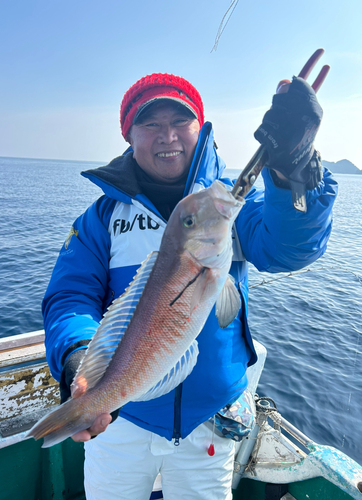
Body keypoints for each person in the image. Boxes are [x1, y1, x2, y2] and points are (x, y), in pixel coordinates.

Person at [43, 72, 337, 499]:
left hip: (211, 423)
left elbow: (290, 247)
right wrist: (78, 359)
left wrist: (293, 171)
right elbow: (71, 296)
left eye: (180, 121)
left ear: (200, 128)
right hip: (123, 423)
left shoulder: (229, 208)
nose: (168, 136)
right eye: (151, 124)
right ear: (129, 134)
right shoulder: (101, 217)